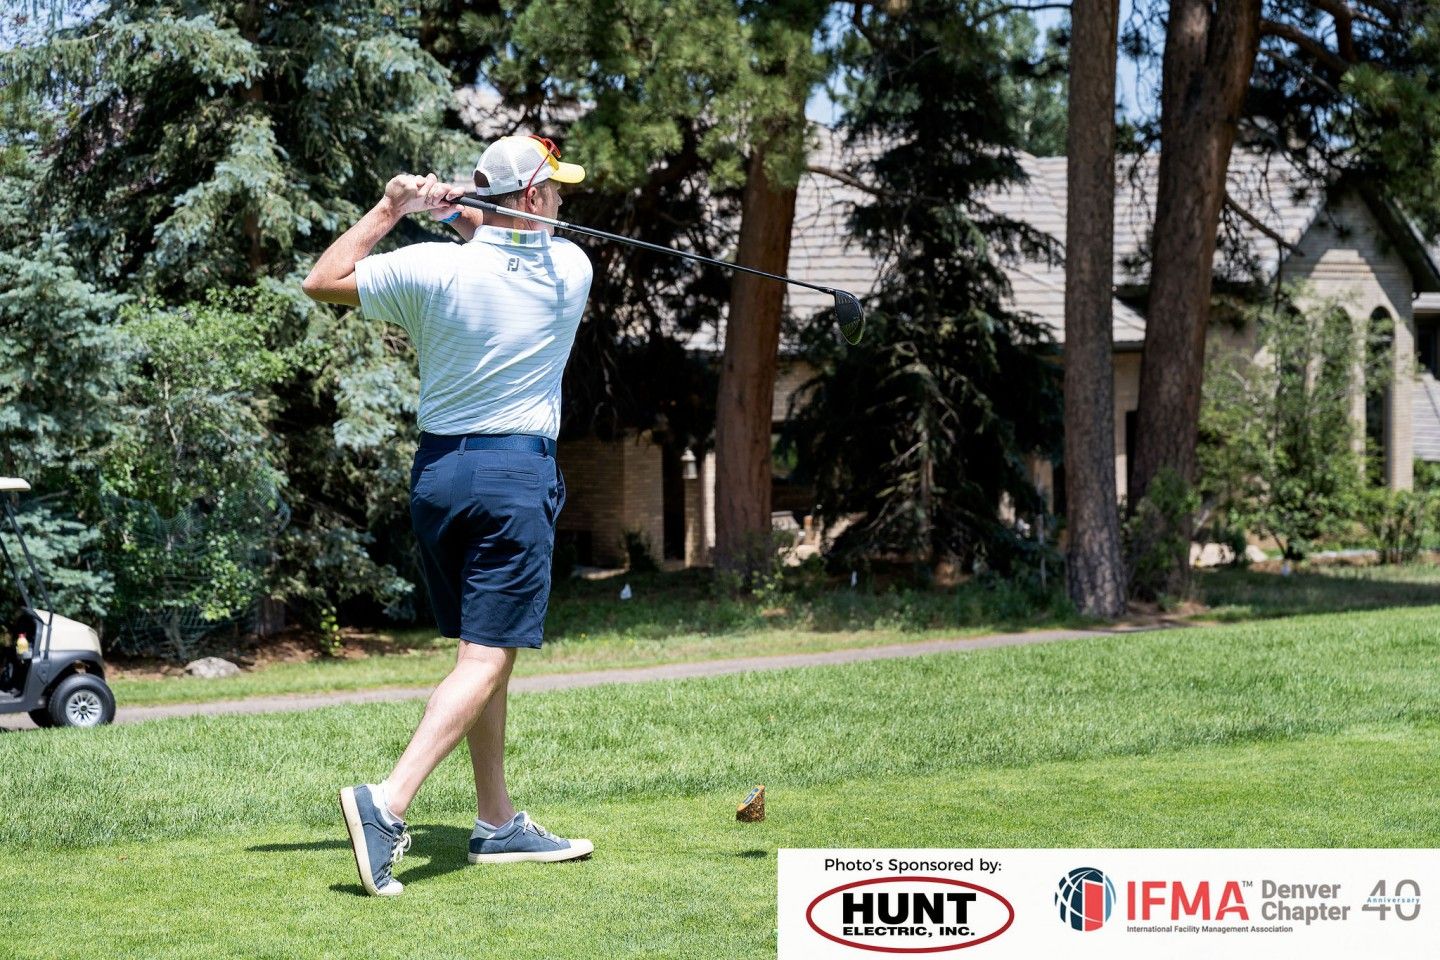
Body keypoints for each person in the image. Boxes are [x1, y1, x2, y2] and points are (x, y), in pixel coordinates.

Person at [302, 135, 594, 897]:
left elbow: (321, 279)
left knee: (482, 647)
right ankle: (387, 805)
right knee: (489, 656)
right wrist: (463, 211)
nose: (562, 199)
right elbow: (508, 244)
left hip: (439, 475)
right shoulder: (571, 269)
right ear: (531, 198)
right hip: (512, 475)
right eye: (554, 188)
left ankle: (496, 823)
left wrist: (395, 207)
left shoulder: (428, 268)